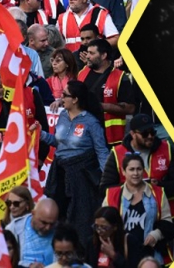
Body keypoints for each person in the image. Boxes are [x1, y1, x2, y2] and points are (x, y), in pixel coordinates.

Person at [40, 80, 109, 249]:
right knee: (59, 213)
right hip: (60, 174)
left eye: (64, 95)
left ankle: (80, 251)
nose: (60, 97)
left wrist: (107, 179)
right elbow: (57, 142)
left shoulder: (91, 122)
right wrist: (39, 133)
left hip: (81, 176)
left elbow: (101, 151)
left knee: (80, 215)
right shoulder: (63, 116)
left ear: (76, 99)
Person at [100, 114, 174, 226]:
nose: (150, 136)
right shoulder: (117, 153)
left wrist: (158, 185)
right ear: (133, 134)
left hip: (163, 217)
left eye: (152, 132)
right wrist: (132, 187)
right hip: (129, 218)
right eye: (145, 133)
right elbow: (105, 188)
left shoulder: (167, 149)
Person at [102, 154, 174, 268]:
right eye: (131, 169)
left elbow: (168, 222)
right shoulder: (112, 194)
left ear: (143, 170)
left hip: (150, 256)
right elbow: (103, 225)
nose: (135, 173)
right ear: (123, 171)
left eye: (139, 169)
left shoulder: (158, 192)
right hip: (122, 256)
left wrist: (156, 234)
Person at [79, 39, 135, 146]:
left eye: (92, 53)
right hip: (84, 135)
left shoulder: (120, 77)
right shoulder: (82, 73)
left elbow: (130, 108)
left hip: (111, 139)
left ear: (103, 55)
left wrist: (100, 106)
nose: (87, 56)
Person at [5, 197, 59, 268]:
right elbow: (6, 259)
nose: (47, 228)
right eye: (43, 222)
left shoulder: (60, 232)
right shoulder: (14, 229)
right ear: (33, 213)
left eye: (52, 224)